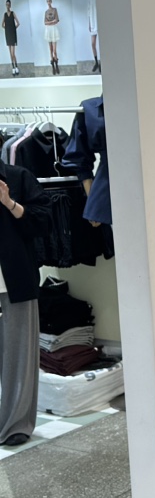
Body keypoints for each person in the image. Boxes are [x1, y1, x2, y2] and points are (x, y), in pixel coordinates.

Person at [0, 161, 51, 447]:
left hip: (15, 280)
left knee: (19, 356)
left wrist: (10, 203)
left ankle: (16, 425)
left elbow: (44, 222)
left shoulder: (18, 177)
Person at [2, 0, 20, 76]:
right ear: (5, 5)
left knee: (13, 53)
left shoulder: (13, 13)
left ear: (10, 5)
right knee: (10, 53)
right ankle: (13, 67)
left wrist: (13, 29)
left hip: (12, 35)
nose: (8, 6)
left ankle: (16, 66)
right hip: (8, 35)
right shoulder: (5, 14)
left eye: (9, 4)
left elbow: (18, 23)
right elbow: (2, 25)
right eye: (7, 5)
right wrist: (7, 29)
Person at [44, 0, 60, 75]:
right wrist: (52, 22)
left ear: (51, 1)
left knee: (54, 50)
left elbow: (57, 20)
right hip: (48, 30)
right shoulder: (46, 12)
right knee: (50, 50)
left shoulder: (55, 10)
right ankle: (53, 66)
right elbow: (45, 22)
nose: (48, 2)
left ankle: (56, 64)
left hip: (54, 30)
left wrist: (50, 22)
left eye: (49, 1)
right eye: (47, 1)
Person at [88, 0, 100, 72]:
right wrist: (89, 23)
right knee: (93, 44)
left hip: (99, 22)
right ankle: (96, 62)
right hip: (93, 23)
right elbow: (89, 12)